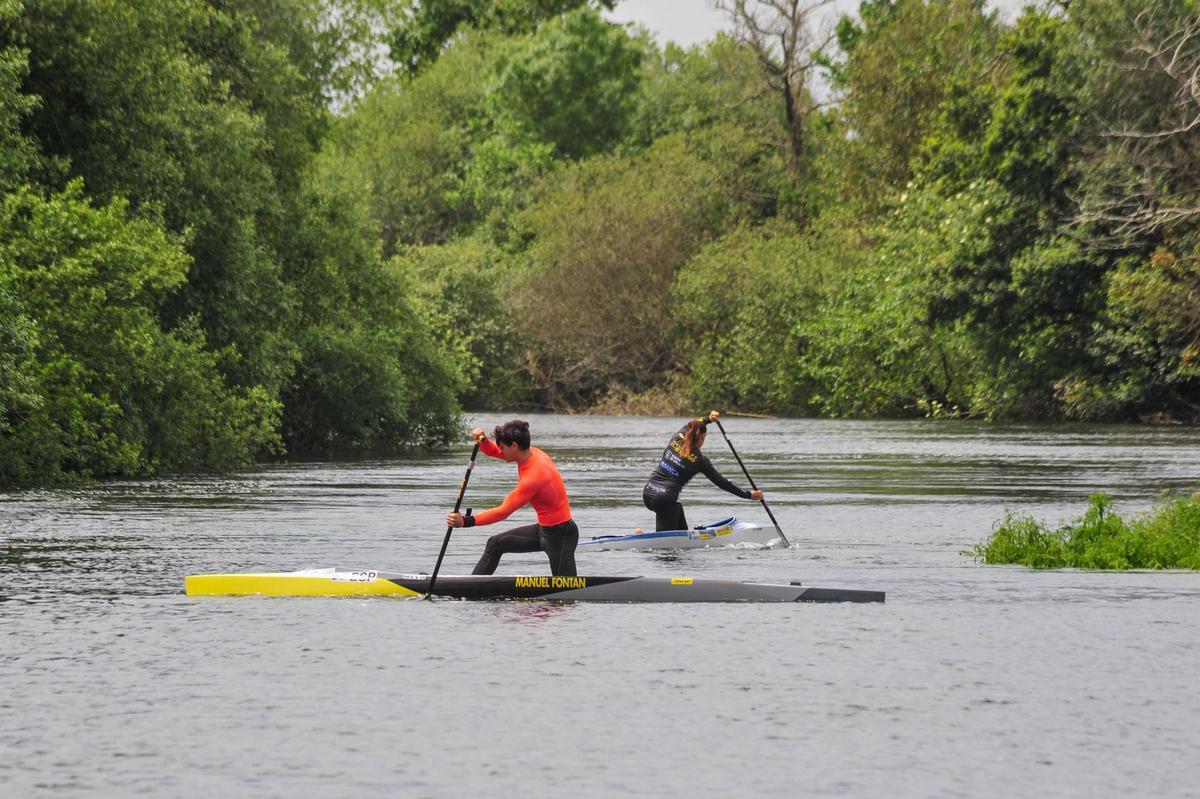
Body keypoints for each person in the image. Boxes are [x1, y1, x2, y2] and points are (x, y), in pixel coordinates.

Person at [446, 419, 579, 577]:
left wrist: (466, 521)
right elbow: (495, 451)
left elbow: (503, 512)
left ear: (514, 446)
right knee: (495, 544)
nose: (500, 450)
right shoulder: (531, 452)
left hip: (560, 535)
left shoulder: (534, 476)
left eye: (502, 447)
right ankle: (469, 589)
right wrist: (483, 441)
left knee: (567, 593)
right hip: (543, 530)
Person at [641, 410, 764, 532]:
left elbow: (694, 423)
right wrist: (748, 495)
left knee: (679, 524)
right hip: (665, 500)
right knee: (666, 548)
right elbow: (722, 482)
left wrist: (708, 418)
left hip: (648, 493)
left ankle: (682, 540)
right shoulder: (700, 461)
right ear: (701, 438)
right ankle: (647, 542)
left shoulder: (676, 439)